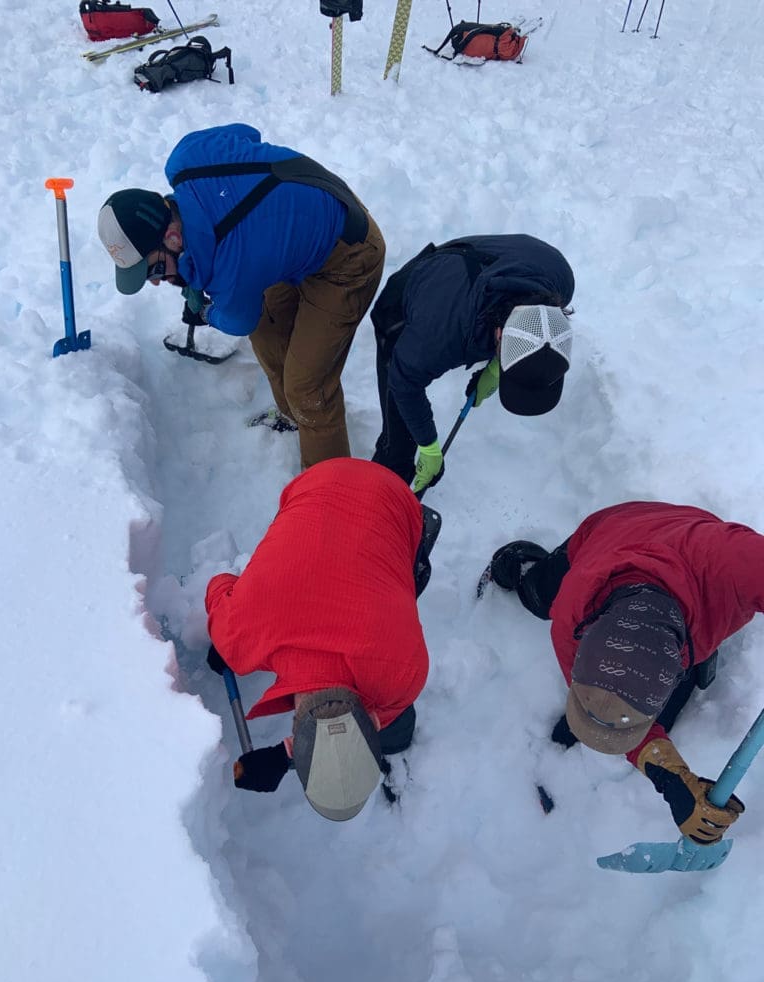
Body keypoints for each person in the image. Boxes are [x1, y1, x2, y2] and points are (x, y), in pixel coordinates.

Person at [97, 122, 385, 468]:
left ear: (173, 238)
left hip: (349, 254)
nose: (157, 283)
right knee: (267, 331)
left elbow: (237, 319)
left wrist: (205, 312)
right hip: (299, 219)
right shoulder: (187, 157)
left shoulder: (230, 268)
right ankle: (290, 416)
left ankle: (328, 489)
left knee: (307, 387)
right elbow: (246, 134)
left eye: (155, 270)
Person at [484, 501, 755, 845]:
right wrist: (669, 777)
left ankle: (689, 666)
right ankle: (515, 566)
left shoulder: (731, 561)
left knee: (656, 708)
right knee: (539, 598)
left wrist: (669, 776)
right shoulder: (572, 619)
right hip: (610, 532)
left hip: (690, 552)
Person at [204, 457, 440, 821]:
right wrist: (229, 637)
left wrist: (288, 755)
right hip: (320, 486)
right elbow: (219, 586)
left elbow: (361, 718)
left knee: (392, 587)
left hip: (391, 496)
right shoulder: (239, 630)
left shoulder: (405, 672)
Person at [368, 234, 575, 492]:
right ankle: (379, 499)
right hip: (403, 305)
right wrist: (429, 445)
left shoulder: (558, 278)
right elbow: (404, 382)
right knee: (400, 442)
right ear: (499, 334)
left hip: (469, 280)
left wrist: (496, 370)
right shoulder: (440, 333)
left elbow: (529, 328)